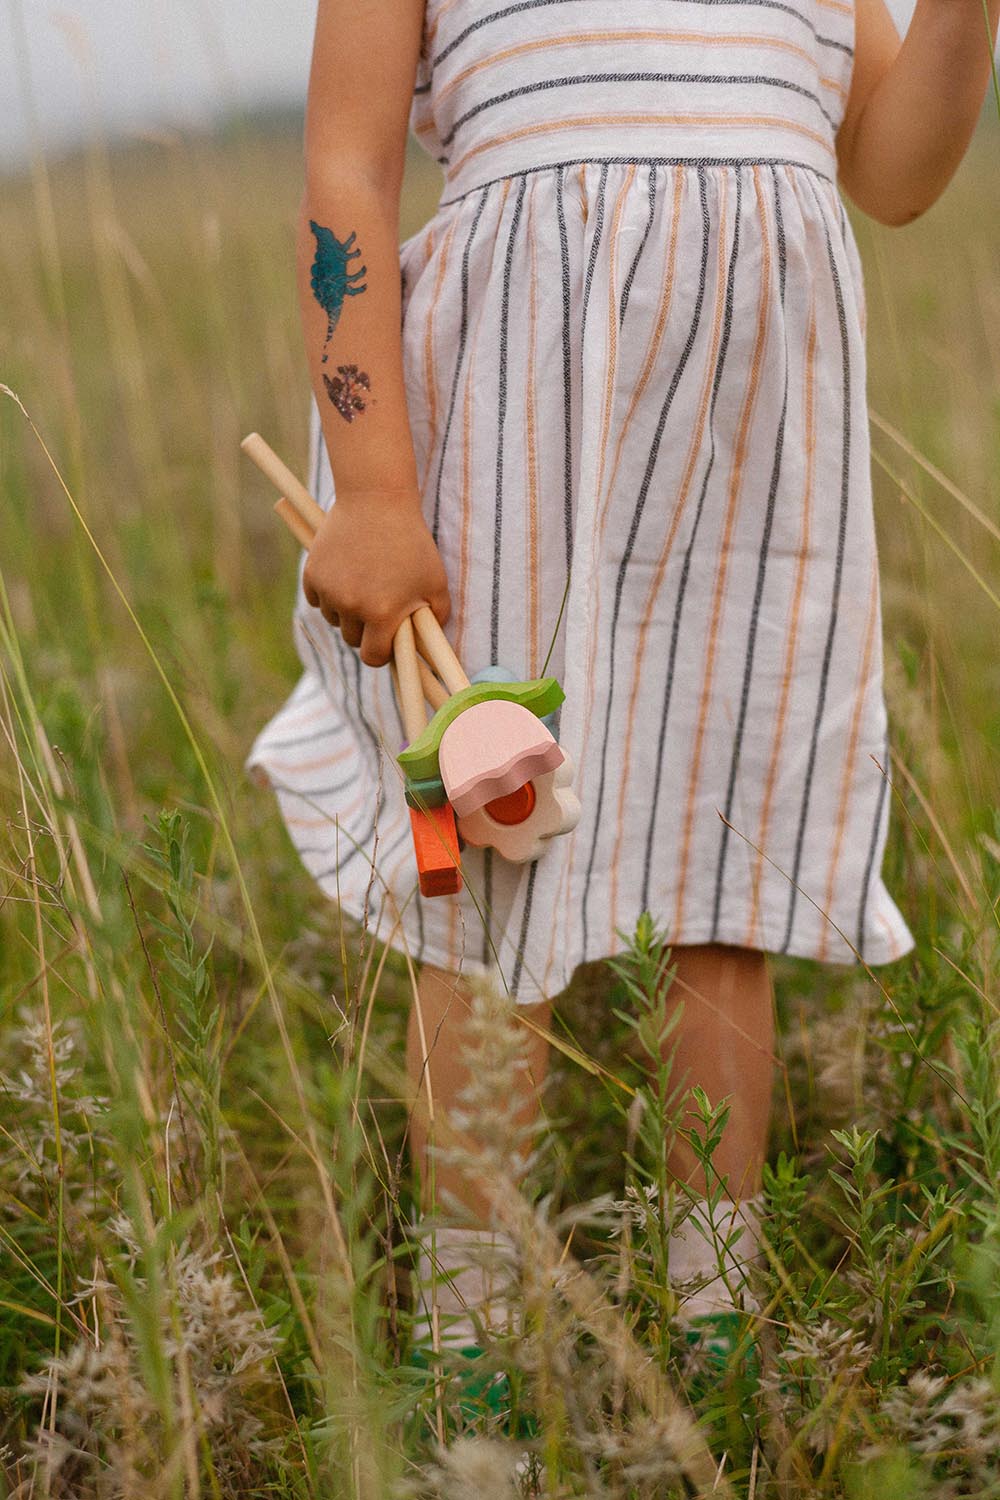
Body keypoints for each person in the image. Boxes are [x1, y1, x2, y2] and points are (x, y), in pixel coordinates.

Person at [248, 0, 998, 1363]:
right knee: (487, 878)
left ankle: (712, 1348)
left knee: (725, 887)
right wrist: (370, 489)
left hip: (756, 464)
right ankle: (474, 1362)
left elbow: (892, 176)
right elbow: (347, 170)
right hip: (507, 447)